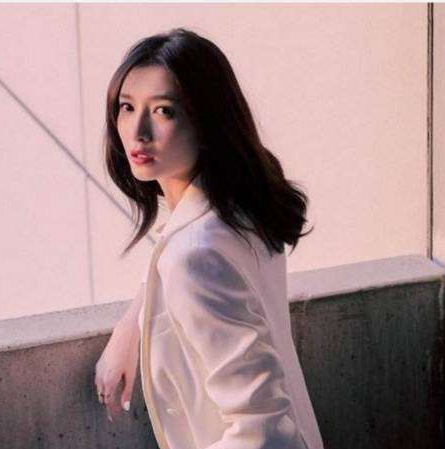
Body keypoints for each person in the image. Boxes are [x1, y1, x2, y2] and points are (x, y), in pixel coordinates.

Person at [94, 27, 324, 449]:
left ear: (206, 121)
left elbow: (264, 430)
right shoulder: (240, 209)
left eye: (163, 111)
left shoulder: (194, 255)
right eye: (127, 107)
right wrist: (129, 328)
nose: (137, 131)